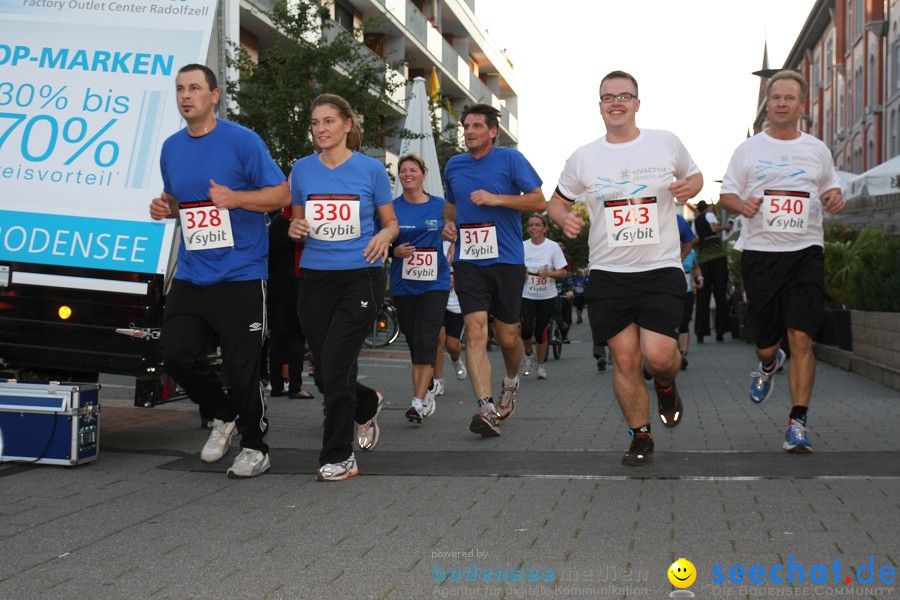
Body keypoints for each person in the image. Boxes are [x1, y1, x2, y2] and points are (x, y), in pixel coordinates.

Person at [548, 70, 703, 466]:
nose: (616, 102)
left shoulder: (665, 142)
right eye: (608, 97)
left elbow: (695, 175)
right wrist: (563, 219)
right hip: (609, 274)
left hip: (660, 268)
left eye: (624, 96)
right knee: (626, 359)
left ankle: (666, 385)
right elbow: (556, 202)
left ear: (637, 103)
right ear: (599, 105)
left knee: (660, 356)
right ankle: (640, 434)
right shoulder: (584, 156)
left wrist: (692, 187)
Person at [149, 63, 289, 478]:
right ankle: (222, 414)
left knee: (242, 368)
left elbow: (281, 194)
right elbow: (180, 202)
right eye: (179, 89)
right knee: (175, 354)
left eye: (194, 88)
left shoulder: (242, 141)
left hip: (241, 274)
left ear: (214, 96)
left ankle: (255, 447)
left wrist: (237, 199)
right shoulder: (171, 148)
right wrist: (165, 208)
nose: (185, 95)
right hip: (193, 273)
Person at [719, 69, 844, 453]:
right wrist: (744, 204)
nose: (782, 103)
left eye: (789, 98)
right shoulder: (749, 150)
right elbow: (727, 195)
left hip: (806, 250)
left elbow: (831, 188)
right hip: (761, 254)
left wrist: (834, 198)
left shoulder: (817, 149)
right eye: (776, 98)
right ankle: (769, 365)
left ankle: (798, 422)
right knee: (766, 345)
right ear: (767, 104)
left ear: (800, 105)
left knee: (803, 336)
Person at [288, 93, 399, 480]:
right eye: (315, 123)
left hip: (361, 276)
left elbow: (391, 222)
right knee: (324, 372)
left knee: (334, 368)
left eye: (329, 121)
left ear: (347, 125)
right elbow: (298, 224)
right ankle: (366, 402)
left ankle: (339, 455)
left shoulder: (370, 170)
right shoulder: (301, 170)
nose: (321, 129)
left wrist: (386, 237)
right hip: (316, 278)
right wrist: (294, 228)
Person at [442, 103, 546, 437]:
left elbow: (538, 201)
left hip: (507, 261)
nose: (469, 131)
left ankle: (511, 381)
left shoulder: (510, 159)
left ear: (492, 131)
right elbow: (451, 204)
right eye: (466, 126)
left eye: (476, 126)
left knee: (508, 336)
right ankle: (486, 409)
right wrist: (448, 225)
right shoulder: (454, 165)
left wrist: (497, 199)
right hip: (470, 260)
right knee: (474, 330)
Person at [388, 154, 451, 423]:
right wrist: (394, 250)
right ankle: (425, 391)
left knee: (427, 337)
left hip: (434, 283)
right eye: (403, 171)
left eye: (413, 170)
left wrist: (453, 238)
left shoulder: (442, 206)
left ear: (423, 174)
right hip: (403, 284)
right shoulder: (391, 209)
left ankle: (416, 402)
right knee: (415, 341)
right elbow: (378, 242)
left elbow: (457, 230)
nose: (408, 174)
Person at [267, 209, 314, 399]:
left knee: (277, 337)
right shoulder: (302, 223)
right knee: (296, 336)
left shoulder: (276, 223)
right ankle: (295, 386)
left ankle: (277, 385)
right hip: (296, 282)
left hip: (274, 284)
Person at [520, 214, 568, 380]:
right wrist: (522, 274)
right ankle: (528, 354)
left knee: (541, 331)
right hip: (527, 293)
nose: (534, 228)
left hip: (547, 295)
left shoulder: (553, 247)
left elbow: (563, 272)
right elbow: (514, 268)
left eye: (538, 225)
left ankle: (540, 366)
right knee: (525, 330)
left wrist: (548, 273)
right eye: (531, 225)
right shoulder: (522, 246)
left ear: (544, 228)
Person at [693, 200, 733, 343]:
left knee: (703, 296)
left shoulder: (695, 221)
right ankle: (720, 332)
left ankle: (700, 333)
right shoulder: (709, 215)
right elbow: (714, 229)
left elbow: (695, 238)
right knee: (720, 293)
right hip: (716, 255)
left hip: (703, 256)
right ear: (707, 208)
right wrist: (726, 227)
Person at [432, 242, 467, 396]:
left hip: (456, 301)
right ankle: (438, 380)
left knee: (452, 345)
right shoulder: (433, 237)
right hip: (436, 296)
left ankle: (456, 359)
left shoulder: (464, 239)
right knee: (439, 339)